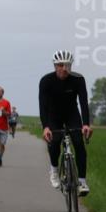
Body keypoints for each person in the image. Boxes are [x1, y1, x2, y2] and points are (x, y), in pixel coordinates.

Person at [39, 50, 93, 196]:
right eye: (60, 65)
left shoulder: (78, 79)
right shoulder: (46, 81)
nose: (64, 68)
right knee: (55, 141)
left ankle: (82, 181)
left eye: (67, 65)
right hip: (53, 115)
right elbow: (42, 106)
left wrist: (86, 124)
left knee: (79, 143)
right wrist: (46, 127)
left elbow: (83, 102)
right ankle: (54, 170)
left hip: (71, 114)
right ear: (55, 66)